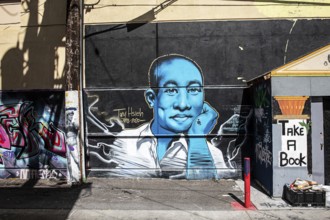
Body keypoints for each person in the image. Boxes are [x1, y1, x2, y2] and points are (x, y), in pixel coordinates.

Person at [89, 54, 227, 179]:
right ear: (151, 98)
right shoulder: (126, 143)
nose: (183, 104)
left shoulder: (211, 154)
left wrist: (197, 138)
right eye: (171, 90)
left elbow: (203, 192)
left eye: (193, 90)